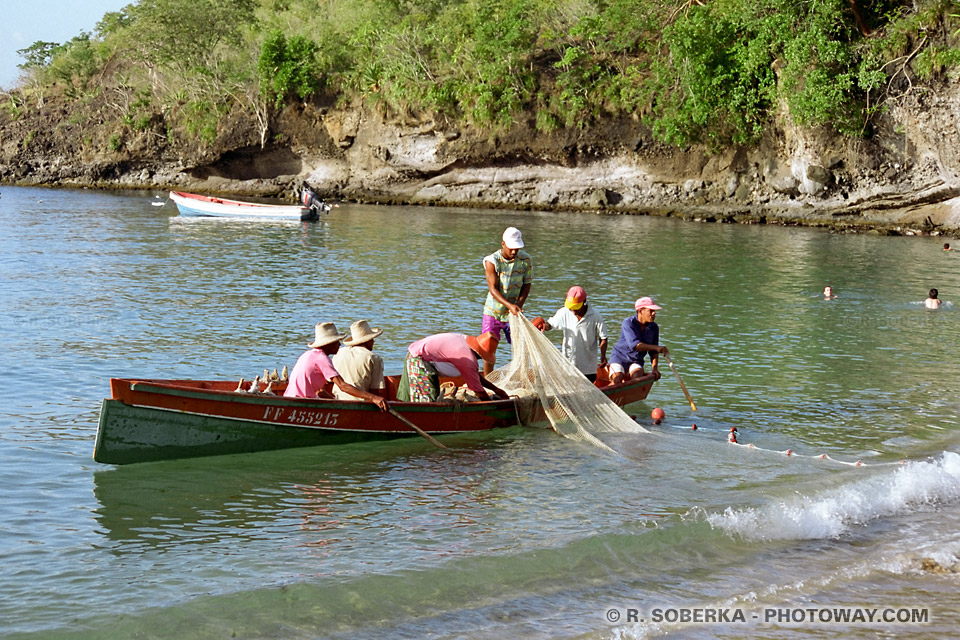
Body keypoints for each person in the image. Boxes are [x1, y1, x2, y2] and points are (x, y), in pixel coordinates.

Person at [283, 322, 388, 411]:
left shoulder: (308, 354)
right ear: (328, 344)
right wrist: (373, 398)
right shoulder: (322, 358)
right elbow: (343, 386)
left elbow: (320, 391)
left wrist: (335, 401)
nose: (339, 344)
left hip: (290, 399)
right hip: (300, 402)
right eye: (336, 341)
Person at [399, 332, 510, 402]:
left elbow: (475, 375)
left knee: (413, 395)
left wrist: (495, 389)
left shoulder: (464, 340)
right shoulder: (468, 359)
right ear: (479, 354)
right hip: (418, 360)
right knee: (427, 401)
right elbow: (477, 390)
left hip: (415, 353)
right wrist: (490, 403)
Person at [482, 226, 532, 375]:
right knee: (488, 348)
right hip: (493, 311)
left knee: (520, 347)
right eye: (511, 248)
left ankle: (521, 377)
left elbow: (527, 284)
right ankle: (488, 379)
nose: (514, 251)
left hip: (514, 312)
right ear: (503, 244)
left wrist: (518, 305)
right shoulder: (492, 261)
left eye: (517, 248)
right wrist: (510, 305)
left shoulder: (525, 259)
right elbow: (493, 289)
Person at [533, 286, 608, 381]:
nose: (573, 311)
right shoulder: (565, 312)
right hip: (568, 365)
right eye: (571, 308)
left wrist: (603, 356)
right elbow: (550, 325)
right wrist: (542, 325)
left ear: (584, 302)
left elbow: (603, 338)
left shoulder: (595, 316)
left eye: (576, 308)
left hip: (588, 367)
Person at [609, 297, 669, 385]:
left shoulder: (654, 327)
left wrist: (655, 369)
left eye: (654, 311)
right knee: (617, 380)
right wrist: (657, 348)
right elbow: (634, 345)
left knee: (637, 379)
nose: (654, 313)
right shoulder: (628, 323)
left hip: (636, 361)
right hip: (619, 358)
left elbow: (653, 352)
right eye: (651, 311)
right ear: (640, 311)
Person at [331, 319, 385, 400]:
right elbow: (375, 391)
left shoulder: (338, 353)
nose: (373, 341)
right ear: (368, 340)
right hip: (361, 403)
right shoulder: (373, 358)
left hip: (338, 399)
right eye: (372, 339)